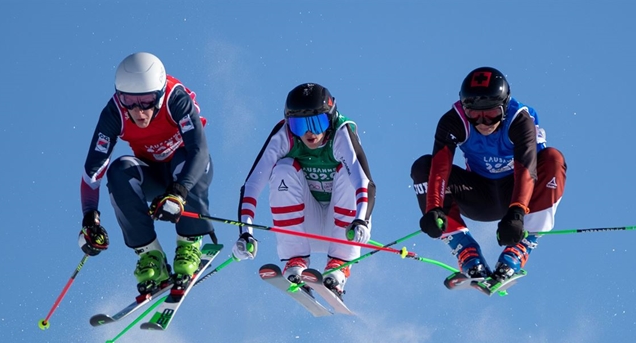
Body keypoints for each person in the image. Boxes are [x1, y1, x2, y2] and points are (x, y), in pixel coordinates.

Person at [78, 52, 216, 294]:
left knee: (184, 158)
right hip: (153, 175)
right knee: (119, 171)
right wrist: (90, 218)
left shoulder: (176, 99)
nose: (138, 110)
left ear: (160, 95)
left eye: (147, 101)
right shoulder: (114, 114)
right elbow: (93, 170)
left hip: (187, 172)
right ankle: (149, 254)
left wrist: (179, 191)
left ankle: (189, 242)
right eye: (129, 101)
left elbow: (199, 150)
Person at [411, 67, 567, 281]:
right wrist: (434, 207)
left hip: (518, 195)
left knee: (553, 159)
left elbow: (527, 170)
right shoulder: (454, 120)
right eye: (474, 114)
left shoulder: (520, 120)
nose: (483, 122)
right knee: (423, 166)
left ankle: (523, 245)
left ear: (504, 106)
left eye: (491, 114)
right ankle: (464, 249)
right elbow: (440, 168)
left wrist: (517, 212)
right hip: (478, 195)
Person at [232, 83, 376, 298]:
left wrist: (361, 219)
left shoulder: (341, 133)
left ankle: (338, 265)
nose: (309, 132)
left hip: (346, 229)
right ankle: (295, 260)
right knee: (282, 170)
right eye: (299, 125)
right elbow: (252, 184)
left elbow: (364, 182)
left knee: (347, 174)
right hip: (304, 226)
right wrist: (245, 232)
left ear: (331, 118)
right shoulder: (283, 136)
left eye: (317, 123)